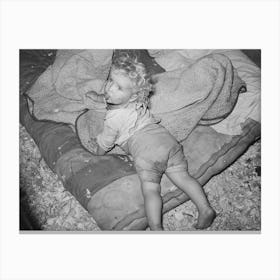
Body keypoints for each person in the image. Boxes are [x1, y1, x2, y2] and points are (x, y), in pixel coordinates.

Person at [87, 53, 216, 231]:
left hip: (147, 154)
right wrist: (106, 96)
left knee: (151, 191)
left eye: (118, 87)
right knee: (184, 178)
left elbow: (106, 142)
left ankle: (156, 228)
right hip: (168, 143)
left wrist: (97, 152)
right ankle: (205, 208)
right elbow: (116, 98)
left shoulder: (113, 118)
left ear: (131, 96)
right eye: (110, 80)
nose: (109, 88)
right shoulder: (138, 101)